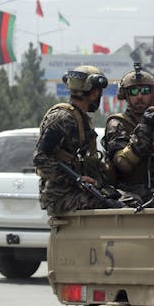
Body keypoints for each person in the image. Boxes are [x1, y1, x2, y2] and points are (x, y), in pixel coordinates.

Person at [33, 65, 110, 215]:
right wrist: (76, 180)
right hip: (60, 195)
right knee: (116, 206)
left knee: (125, 199)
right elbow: (41, 159)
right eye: (99, 93)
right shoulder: (63, 119)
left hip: (72, 191)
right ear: (94, 93)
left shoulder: (80, 118)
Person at [102, 66, 154, 201]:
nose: (139, 96)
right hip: (127, 190)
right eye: (134, 91)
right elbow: (123, 164)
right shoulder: (117, 123)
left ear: (153, 94)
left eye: (145, 91)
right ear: (125, 96)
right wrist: (145, 127)